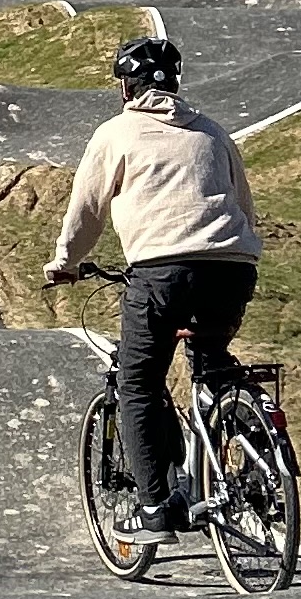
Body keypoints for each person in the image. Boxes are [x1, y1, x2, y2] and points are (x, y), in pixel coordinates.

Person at [43, 31, 263, 537]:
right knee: (211, 363)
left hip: (162, 272)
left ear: (126, 87)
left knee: (137, 382)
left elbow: (87, 211)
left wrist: (65, 262)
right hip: (233, 269)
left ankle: (154, 510)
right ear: (176, 83)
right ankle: (248, 443)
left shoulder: (116, 134)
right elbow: (245, 208)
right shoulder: (213, 132)